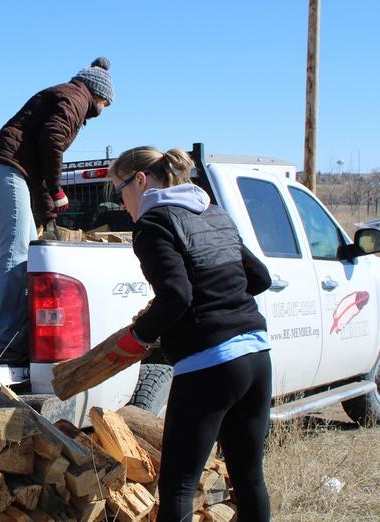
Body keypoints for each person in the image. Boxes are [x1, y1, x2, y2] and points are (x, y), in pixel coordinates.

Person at [109, 146, 273, 522]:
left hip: (210, 363)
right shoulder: (213, 214)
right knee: (249, 477)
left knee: (179, 485)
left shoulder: (153, 225)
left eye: (119, 191)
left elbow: (176, 297)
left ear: (140, 180)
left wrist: (138, 337)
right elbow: (260, 278)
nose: (121, 204)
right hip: (256, 356)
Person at [0, 57, 114, 363]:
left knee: (21, 249)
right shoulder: (75, 98)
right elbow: (51, 142)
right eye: (107, 103)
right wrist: (57, 188)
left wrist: (48, 211)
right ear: (99, 95)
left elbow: (37, 157)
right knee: (17, 251)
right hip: (5, 168)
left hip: (8, 169)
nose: (104, 110)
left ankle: (5, 337)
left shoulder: (66, 95)